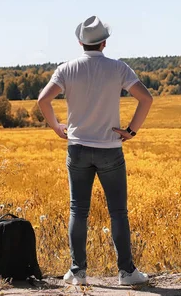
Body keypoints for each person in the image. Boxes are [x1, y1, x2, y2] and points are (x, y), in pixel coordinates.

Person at [37, 15, 153, 286]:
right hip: (110, 149)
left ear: (80, 42)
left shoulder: (66, 69)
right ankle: (127, 273)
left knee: (78, 210)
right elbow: (146, 98)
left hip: (77, 148)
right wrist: (131, 130)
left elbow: (43, 100)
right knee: (118, 212)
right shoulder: (119, 69)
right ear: (104, 43)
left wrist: (56, 126)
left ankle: (78, 272)